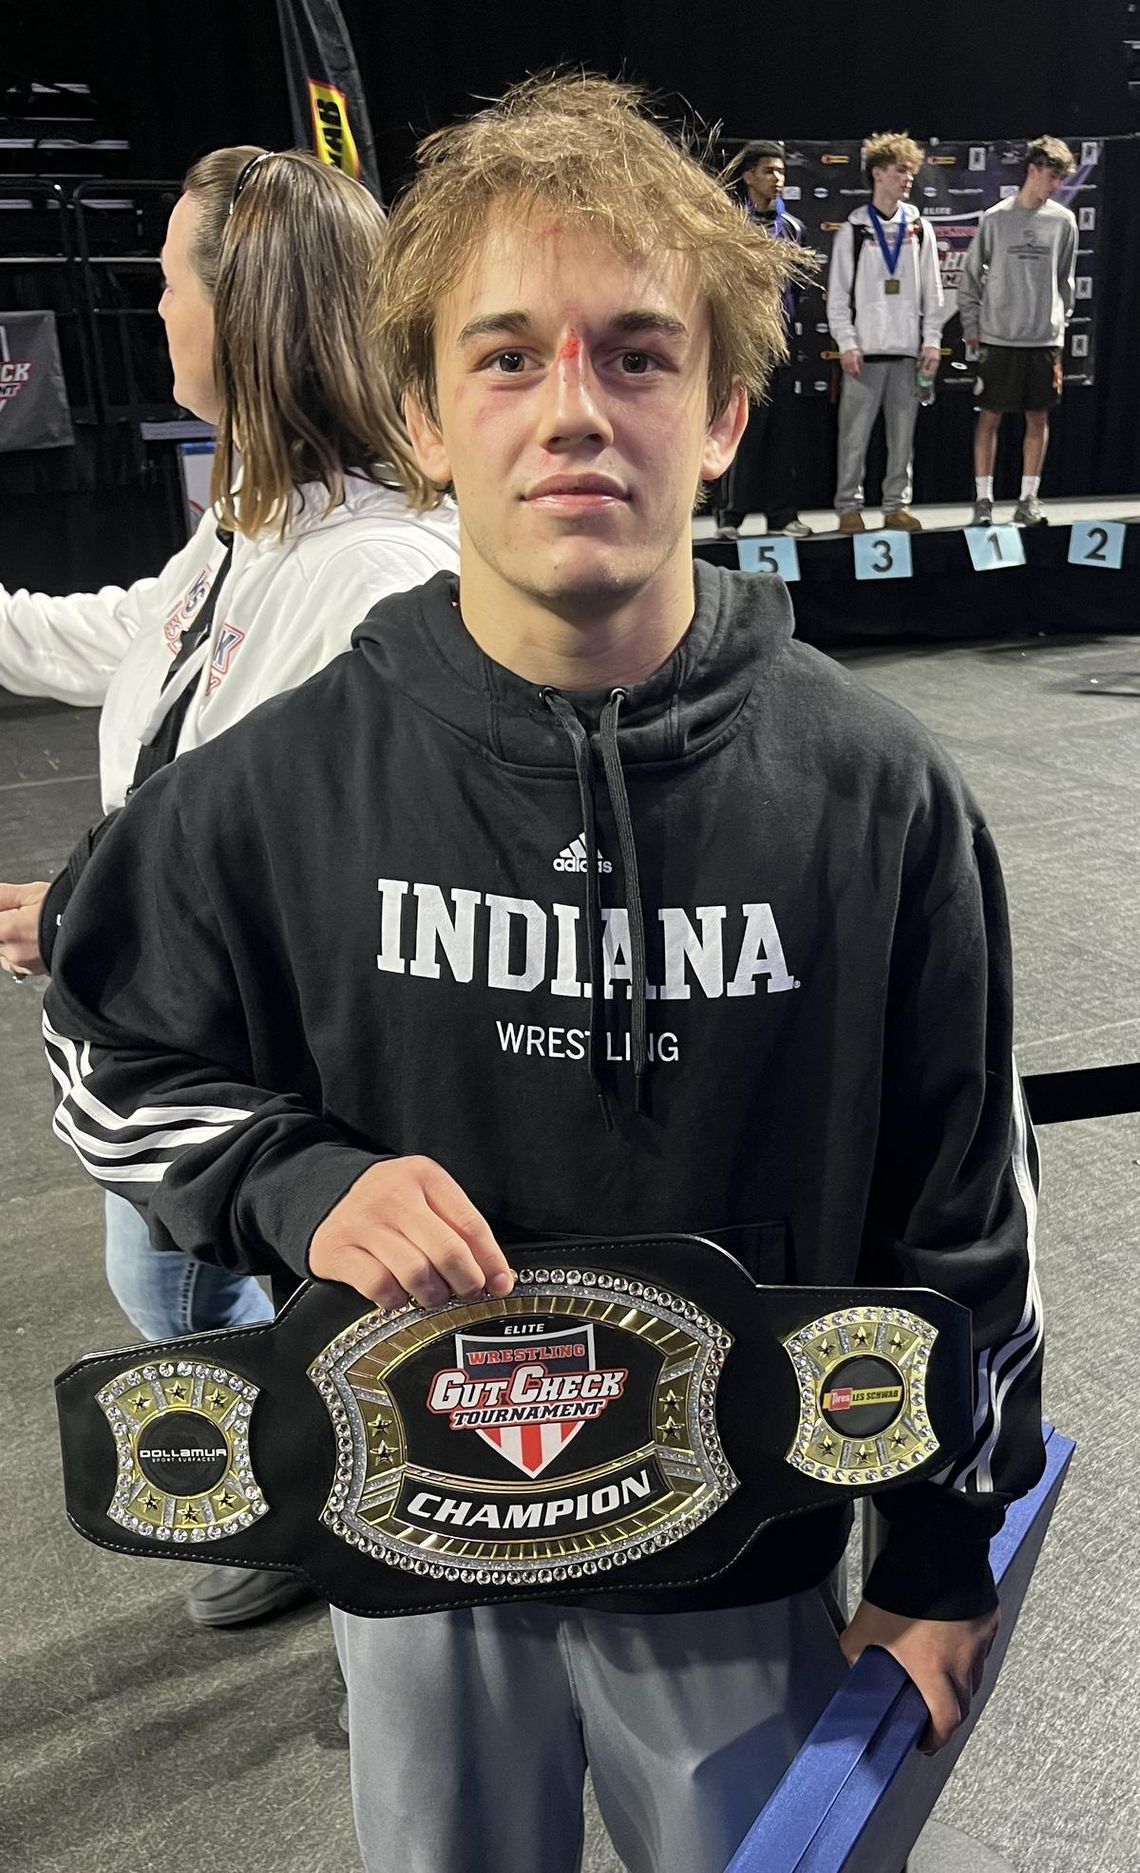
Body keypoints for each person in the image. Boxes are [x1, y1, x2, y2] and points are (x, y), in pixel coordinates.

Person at [44, 77, 1043, 1873]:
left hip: (742, 1555)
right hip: (413, 1560)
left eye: (639, 356)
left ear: (727, 411)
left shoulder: (874, 797)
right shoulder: (282, 784)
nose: (574, 410)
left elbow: (966, 1204)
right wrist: (296, 1176)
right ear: (422, 413)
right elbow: (108, 1051)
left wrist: (949, 1554)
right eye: (507, 358)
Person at [0, 144, 459, 1629]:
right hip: (164, 1029)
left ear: (243, 308)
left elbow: (295, 845)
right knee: (168, 1283)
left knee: (205, 1296)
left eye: (169, 277)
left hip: (251, 1062)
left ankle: (326, 1515)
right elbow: (134, 646)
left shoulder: (377, 567)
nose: (151, 304)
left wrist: (86, 903)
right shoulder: (261, 517)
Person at [826, 131, 944, 534]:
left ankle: (896, 505)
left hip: (907, 351)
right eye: (899, 170)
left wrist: (932, 341)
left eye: (910, 171)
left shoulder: (920, 228)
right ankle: (848, 507)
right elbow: (838, 294)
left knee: (902, 438)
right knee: (854, 437)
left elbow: (934, 289)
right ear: (877, 173)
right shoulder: (855, 229)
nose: (907, 178)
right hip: (865, 352)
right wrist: (847, 342)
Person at [958, 136, 1078, 528]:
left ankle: (1029, 498)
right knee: (989, 416)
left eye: (1061, 178)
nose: (1055, 185)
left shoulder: (1064, 220)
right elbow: (971, 278)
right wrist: (973, 325)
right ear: (1032, 170)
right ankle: (983, 500)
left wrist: (1057, 322)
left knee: (1037, 418)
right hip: (998, 337)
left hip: (1044, 339)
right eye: (1052, 175)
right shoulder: (995, 218)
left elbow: (1066, 281)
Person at [714, 139, 812, 540]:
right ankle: (730, 519)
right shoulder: (730, 225)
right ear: (747, 176)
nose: (777, 179)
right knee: (743, 431)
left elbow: (799, 288)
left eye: (782, 172)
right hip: (743, 345)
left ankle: (781, 516)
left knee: (783, 434)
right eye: (769, 171)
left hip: (781, 344)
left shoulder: (793, 227)